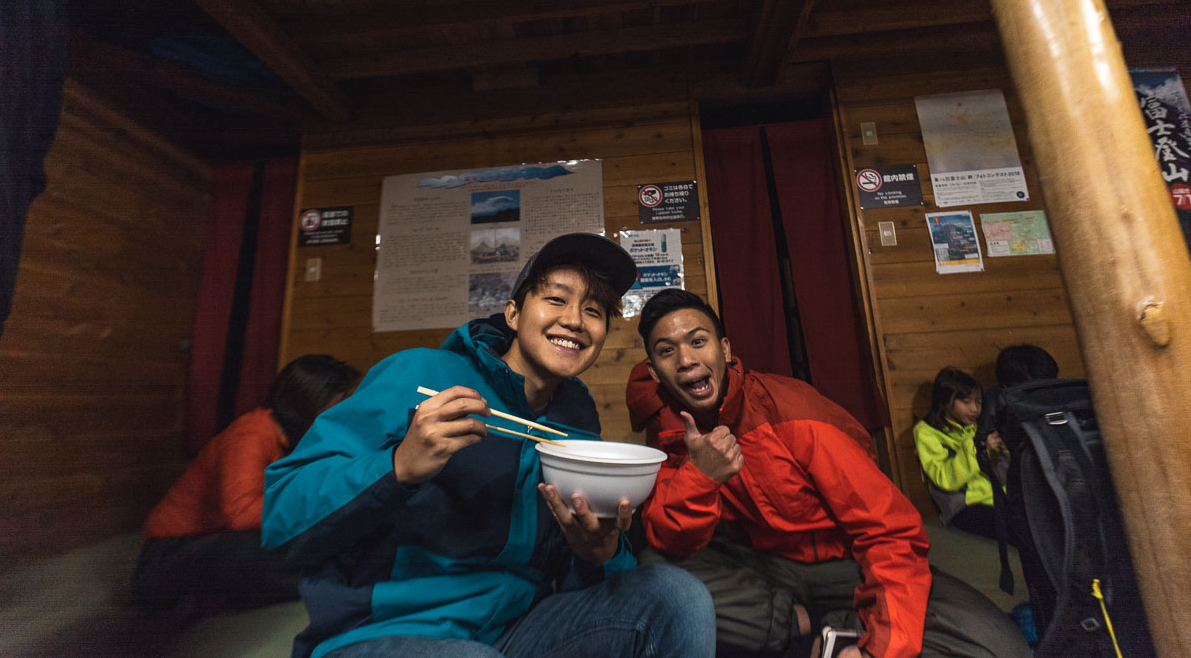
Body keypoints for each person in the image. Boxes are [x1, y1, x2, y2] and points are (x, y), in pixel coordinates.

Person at [261, 233, 715, 658]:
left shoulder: (575, 423)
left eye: (594, 311)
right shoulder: (418, 377)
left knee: (676, 596)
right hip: (382, 631)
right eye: (556, 299)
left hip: (514, 631)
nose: (574, 320)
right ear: (514, 314)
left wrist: (598, 553)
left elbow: (572, 575)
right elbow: (281, 518)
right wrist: (398, 466)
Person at [627, 289, 1030, 658]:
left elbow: (887, 532)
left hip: (849, 564)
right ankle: (799, 623)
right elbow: (670, 537)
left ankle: (831, 626)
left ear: (725, 349)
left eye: (698, 341)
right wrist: (701, 475)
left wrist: (879, 649)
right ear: (655, 370)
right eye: (667, 351)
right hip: (764, 568)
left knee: (998, 647)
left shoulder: (795, 414)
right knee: (652, 571)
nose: (686, 360)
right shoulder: (671, 427)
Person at [133, 354, 360, 612]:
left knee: (324, 539)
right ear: (308, 402)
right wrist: (315, 507)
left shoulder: (303, 441)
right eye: (339, 403)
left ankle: (219, 596)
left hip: (218, 546)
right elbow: (240, 515)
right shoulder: (253, 432)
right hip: (170, 555)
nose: (344, 413)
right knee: (255, 550)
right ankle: (329, 582)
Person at [913, 367, 1005, 540]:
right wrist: (977, 447)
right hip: (963, 508)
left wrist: (1001, 450)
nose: (975, 409)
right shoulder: (926, 432)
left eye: (978, 401)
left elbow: (1001, 472)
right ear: (946, 401)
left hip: (996, 498)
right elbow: (945, 479)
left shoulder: (975, 427)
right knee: (1015, 526)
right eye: (966, 401)